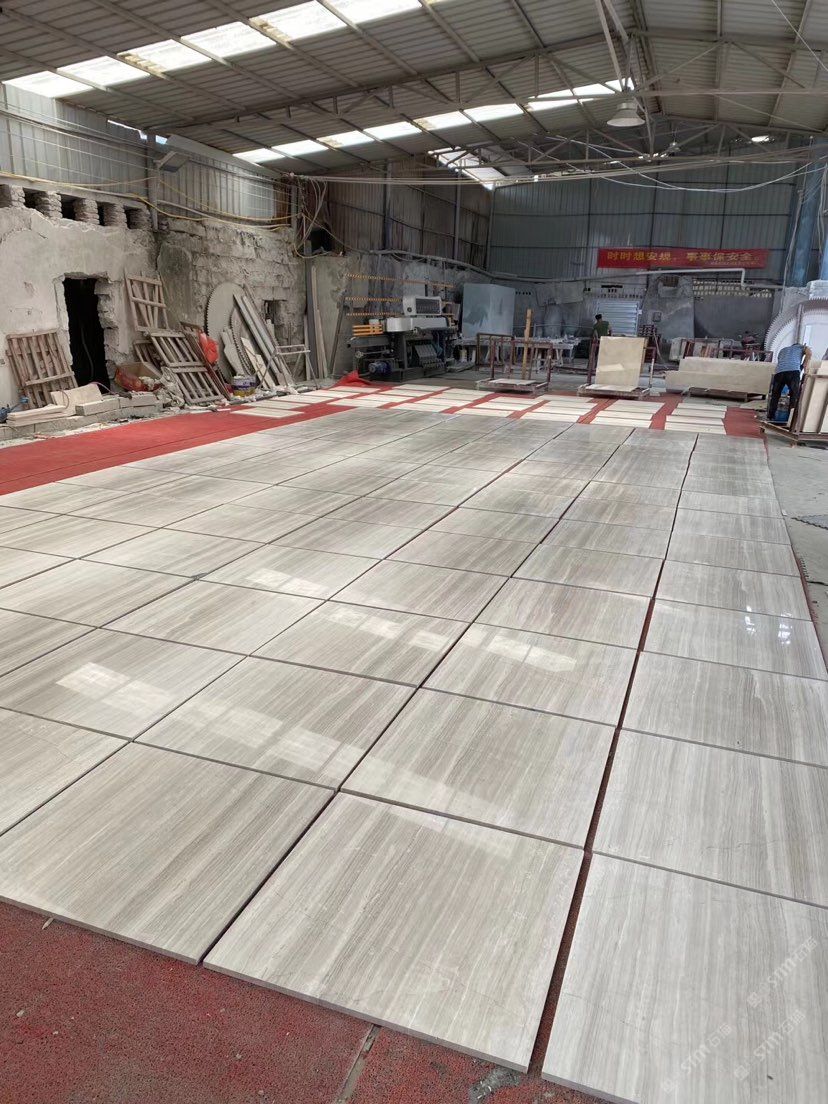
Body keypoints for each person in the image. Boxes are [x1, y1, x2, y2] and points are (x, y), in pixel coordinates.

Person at [767, 342, 810, 423]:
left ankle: (770, 416)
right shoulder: (801, 348)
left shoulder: (783, 350)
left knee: (775, 395)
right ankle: (791, 419)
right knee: (794, 396)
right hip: (793, 372)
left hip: (779, 372)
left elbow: (781, 362)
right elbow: (809, 353)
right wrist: (805, 366)